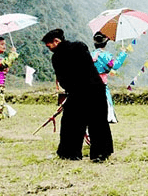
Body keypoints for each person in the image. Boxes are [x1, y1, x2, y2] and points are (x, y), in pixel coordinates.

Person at [42, 28, 113, 162]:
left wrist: (70, 92)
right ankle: (101, 154)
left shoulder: (57, 56)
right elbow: (89, 68)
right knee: (98, 122)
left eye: (49, 45)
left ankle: (70, 153)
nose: (49, 48)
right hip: (96, 88)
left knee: (71, 123)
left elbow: (63, 79)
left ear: (56, 41)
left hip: (77, 92)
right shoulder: (80, 46)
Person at [91, 31, 128, 123]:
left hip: (91, 80)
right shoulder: (106, 56)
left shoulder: (90, 55)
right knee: (105, 97)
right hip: (102, 81)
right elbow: (114, 65)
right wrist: (123, 54)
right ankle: (108, 116)